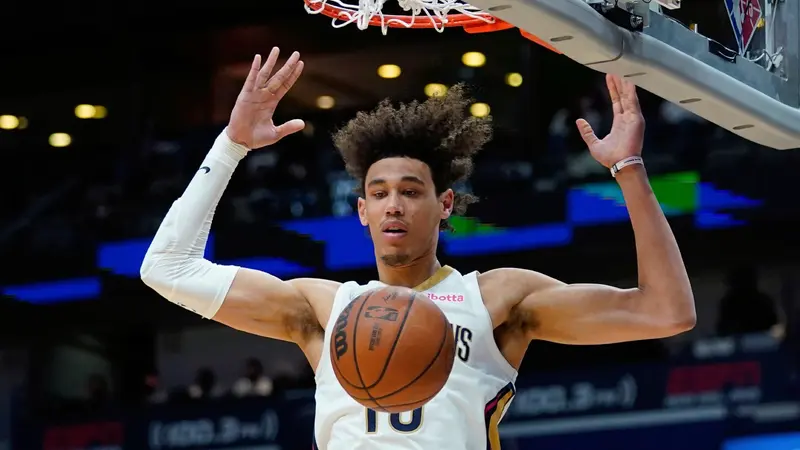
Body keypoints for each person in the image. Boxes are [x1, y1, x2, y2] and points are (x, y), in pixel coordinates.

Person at [140, 48, 696, 449]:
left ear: (445, 204)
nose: (394, 206)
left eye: (410, 192)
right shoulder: (324, 307)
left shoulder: (497, 298)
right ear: (362, 211)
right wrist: (231, 145)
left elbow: (666, 311)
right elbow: (166, 269)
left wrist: (629, 169)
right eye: (379, 194)